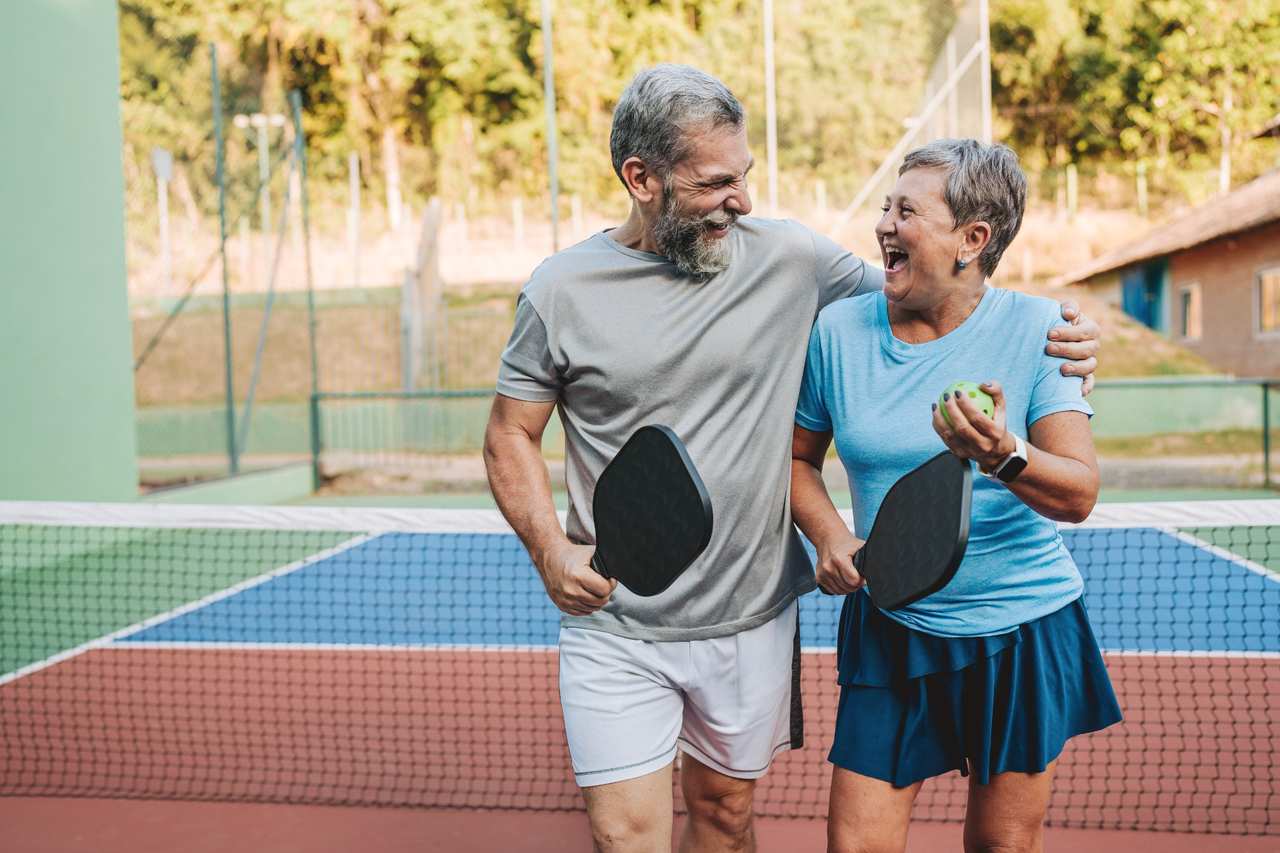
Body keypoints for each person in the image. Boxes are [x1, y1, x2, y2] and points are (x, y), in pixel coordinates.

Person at [484, 66, 1101, 853]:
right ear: (641, 178)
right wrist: (548, 548)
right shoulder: (561, 290)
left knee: (730, 820)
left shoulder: (793, 260)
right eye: (715, 182)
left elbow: (948, 292)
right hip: (621, 621)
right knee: (625, 837)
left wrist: (1062, 338)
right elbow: (510, 433)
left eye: (744, 177)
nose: (741, 200)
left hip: (756, 616)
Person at [790, 138, 1122, 853]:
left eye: (906, 211)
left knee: (1002, 844)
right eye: (886, 207)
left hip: (1022, 628)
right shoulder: (838, 332)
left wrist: (1003, 455)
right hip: (891, 622)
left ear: (973, 239)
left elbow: (1079, 492)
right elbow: (797, 460)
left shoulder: (1042, 332)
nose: (884, 224)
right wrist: (827, 534)